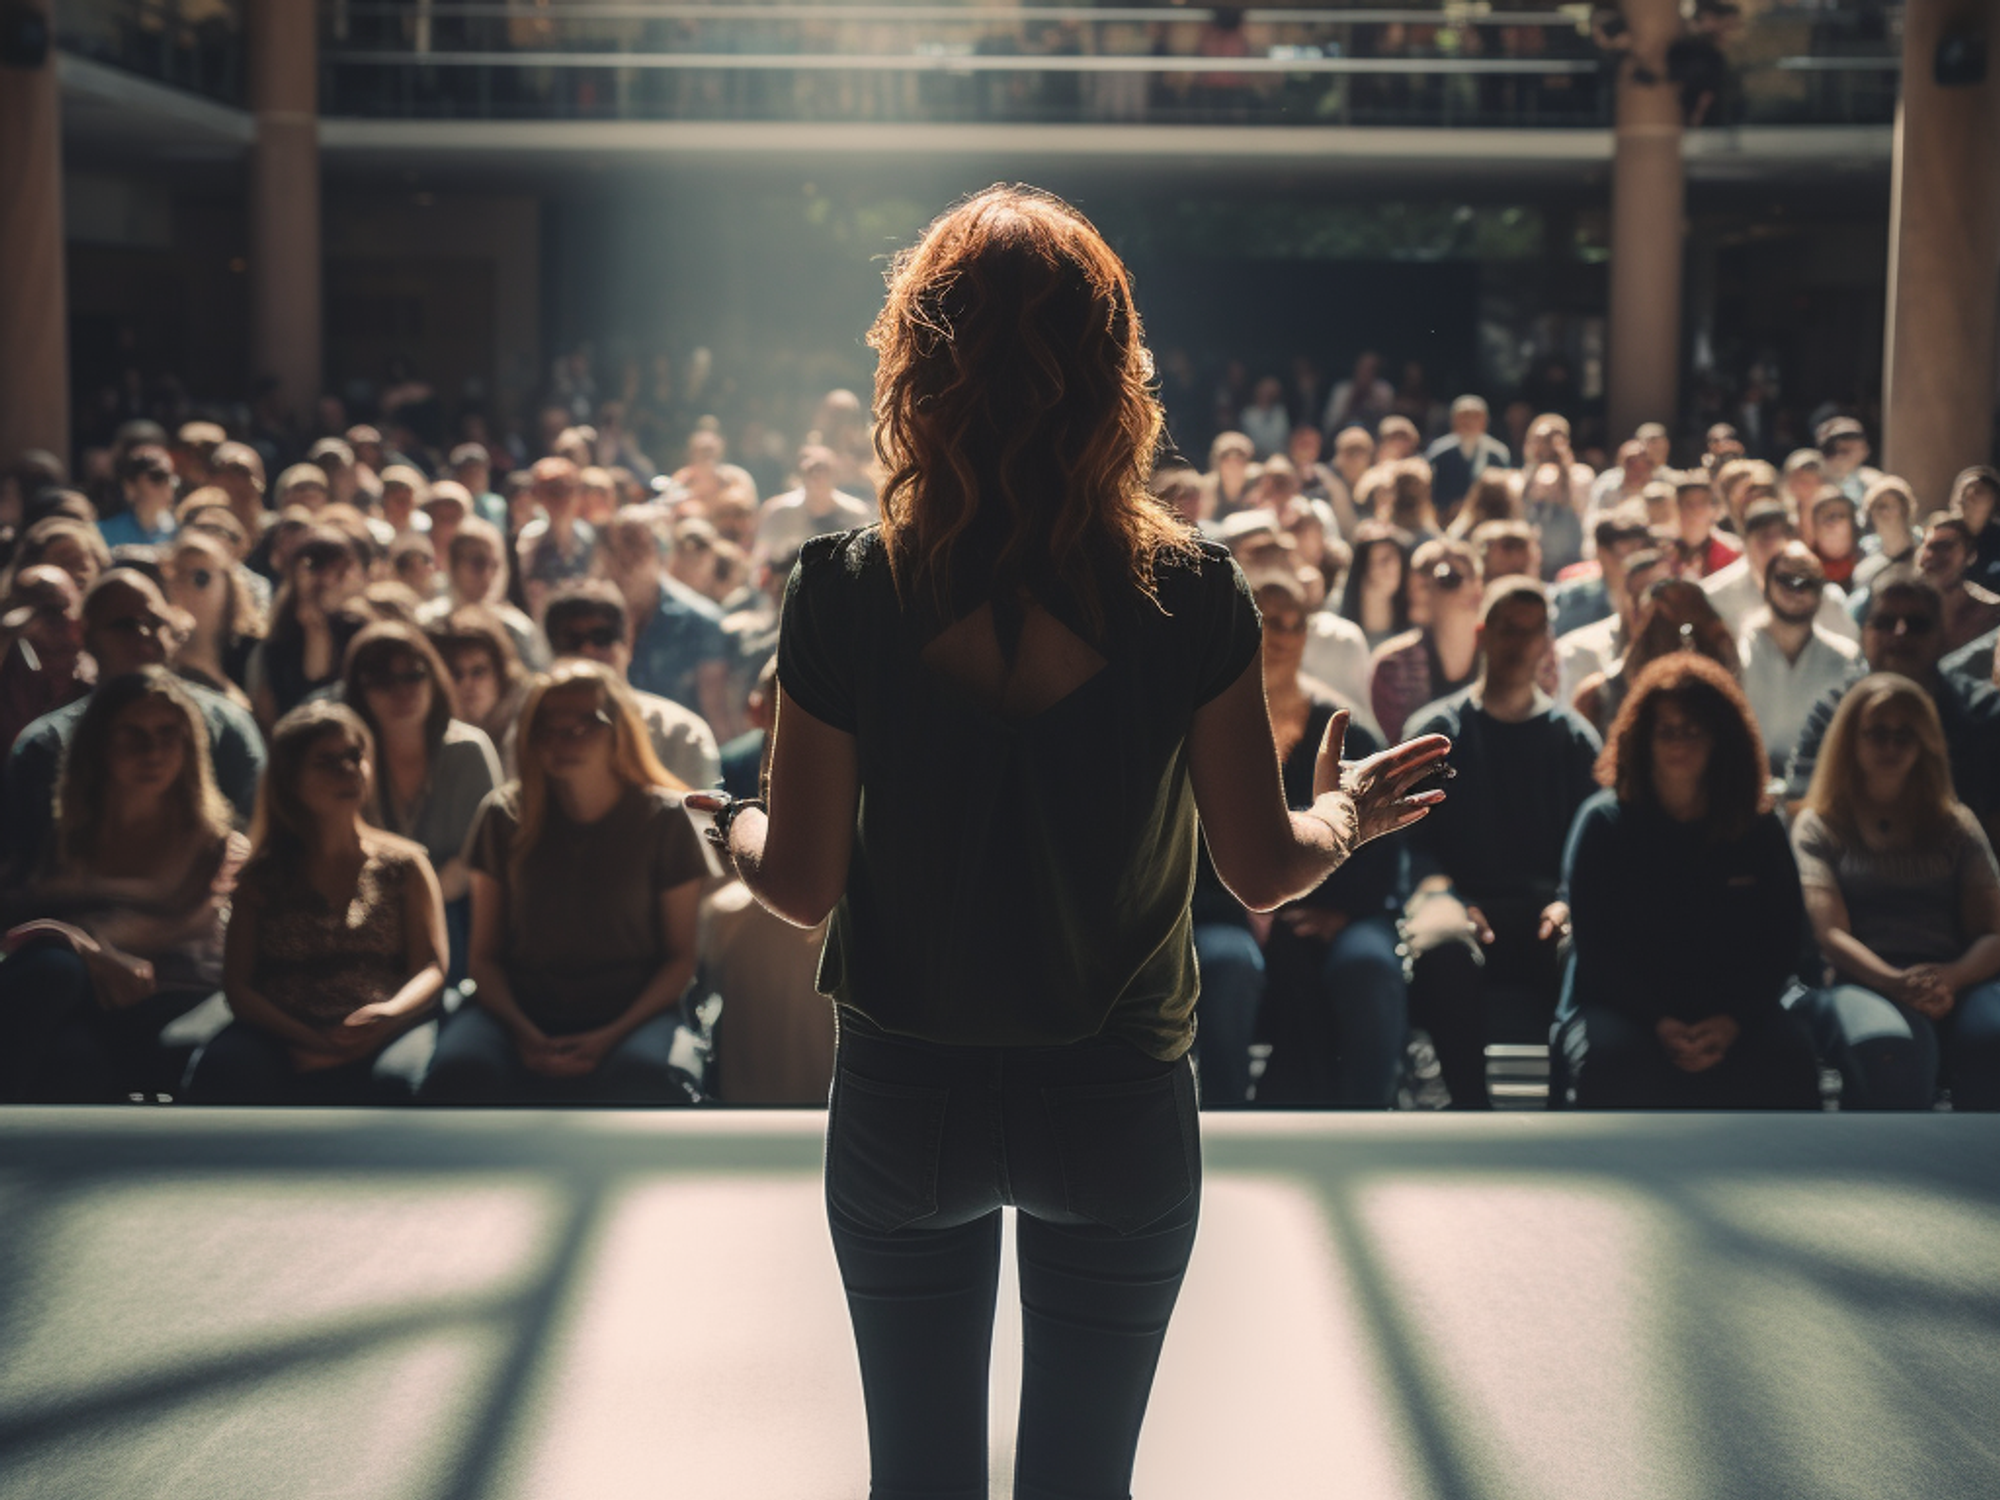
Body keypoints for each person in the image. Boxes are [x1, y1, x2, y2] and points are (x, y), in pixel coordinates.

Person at [696, 187, 1450, 1499]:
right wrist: (1345, 813)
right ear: (1116, 372)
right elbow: (1262, 869)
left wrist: (734, 821)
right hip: (1117, 1098)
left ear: (917, 365)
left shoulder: (842, 590)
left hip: (906, 1096)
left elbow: (804, 886)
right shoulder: (1194, 594)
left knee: (916, 1481)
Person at [420, 660, 710, 1104]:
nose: (563, 740)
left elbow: (678, 960)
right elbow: (484, 958)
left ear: (621, 730)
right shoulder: (503, 816)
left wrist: (609, 1036)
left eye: (585, 725)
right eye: (547, 727)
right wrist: (525, 1033)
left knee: (648, 1077)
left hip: (631, 1011)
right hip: (518, 1009)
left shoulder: (667, 819)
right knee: (460, 1072)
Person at [1557, 654, 1822, 1109]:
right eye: (1667, 730)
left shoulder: (1758, 828)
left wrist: (1732, 1020)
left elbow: (1781, 941)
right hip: (1623, 1006)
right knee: (1617, 1061)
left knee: (1787, 1057)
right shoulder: (1603, 823)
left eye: (1694, 730)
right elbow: (1597, 949)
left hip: (1736, 1011)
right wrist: (1657, 1019)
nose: (1679, 742)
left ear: (1722, 739)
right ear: (1643, 738)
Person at [1401, 578, 1602, 1109]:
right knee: (1442, 944)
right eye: (1508, 629)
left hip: (1545, 906)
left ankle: (1566, 1113)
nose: (1519, 643)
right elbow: (1410, 842)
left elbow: (1591, 846)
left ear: (1547, 642)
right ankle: (1471, 1112)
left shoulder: (1575, 739)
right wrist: (1446, 895)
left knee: (1585, 944)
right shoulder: (1435, 732)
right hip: (1459, 900)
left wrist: (1566, 898)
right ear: (1483, 634)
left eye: (1532, 631)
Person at [0, 669, 246, 1101]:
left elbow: (160, 934)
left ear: (190, 746)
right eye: (132, 733)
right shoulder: (57, 839)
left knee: (56, 973)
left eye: (168, 733)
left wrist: (67, 936)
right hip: (82, 997)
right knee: (62, 1018)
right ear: (99, 744)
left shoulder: (218, 846)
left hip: (175, 998)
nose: (151, 750)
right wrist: (81, 948)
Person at [184, 702, 446, 1103]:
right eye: (326, 761)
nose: (348, 770)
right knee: (226, 1069)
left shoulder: (406, 865)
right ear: (291, 780)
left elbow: (430, 966)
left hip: (384, 1024)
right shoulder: (262, 876)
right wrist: (311, 1040)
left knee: (396, 1082)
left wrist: (387, 1017)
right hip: (283, 1032)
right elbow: (238, 986)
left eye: (354, 756)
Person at [1790, 674, 2000, 1110]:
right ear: (1851, 739)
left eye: (1905, 734)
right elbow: (1831, 936)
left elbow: (1993, 933)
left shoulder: (1956, 825)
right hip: (1862, 982)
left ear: (1926, 742)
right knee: (1892, 1050)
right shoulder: (1821, 826)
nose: (1890, 746)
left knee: (1993, 1038)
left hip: (1956, 979)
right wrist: (1896, 982)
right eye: (1877, 733)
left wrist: (1950, 977)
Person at [1239, 573, 1406, 1108]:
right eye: (1269, 622)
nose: (1283, 637)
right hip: (1232, 908)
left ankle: (1368, 1118)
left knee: (1369, 965)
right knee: (1228, 964)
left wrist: (1341, 911)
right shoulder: (1207, 721)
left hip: (1345, 907)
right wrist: (1245, 906)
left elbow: (1379, 835)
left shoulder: (1346, 730)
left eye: (1295, 625)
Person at [3, 570, 266, 884]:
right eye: (128, 625)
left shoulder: (227, 724)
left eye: (156, 622)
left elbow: (259, 836)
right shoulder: (47, 742)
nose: (147, 635)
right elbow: (26, 866)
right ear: (83, 634)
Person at [1788, 571, 2000, 846]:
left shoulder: (1984, 713)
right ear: (1864, 635)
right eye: (1885, 622)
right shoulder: (1832, 712)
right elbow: (1800, 807)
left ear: (1942, 638)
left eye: (1917, 624)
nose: (1899, 633)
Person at [339, 620, 502, 978]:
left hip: (457, 915)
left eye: (413, 676)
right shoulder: (348, 760)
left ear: (434, 678)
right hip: (366, 917)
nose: (402, 692)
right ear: (359, 692)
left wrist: (413, 908)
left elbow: (481, 860)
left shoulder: (467, 751)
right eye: (383, 681)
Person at [540, 581, 722, 790]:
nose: (588, 650)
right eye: (572, 641)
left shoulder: (679, 733)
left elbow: (696, 818)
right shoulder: (533, 730)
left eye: (602, 637)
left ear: (629, 642)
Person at [597, 508, 730, 730]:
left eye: (637, 547)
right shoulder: (590, 617)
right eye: (616, 547)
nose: (626, 558)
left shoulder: (700, 622)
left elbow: (716, 712)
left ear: (661, 555)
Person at [1737, 541, 1863, 775]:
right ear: (1766, 584)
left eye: (1807, 582)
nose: (1796, 590)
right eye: (1786, 579)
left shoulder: (1846, 658)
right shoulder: (1737, 652)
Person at [247, 526, 371, 731]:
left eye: (337, 567)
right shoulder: (277, 644)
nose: (327, 577)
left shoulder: (362, 629)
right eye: (317, 565)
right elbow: (311, 688)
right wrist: (314, 625)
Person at [1369, 535, 1482, 741]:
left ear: (1477, 586)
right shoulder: (1393, 664)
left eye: (1448, 578)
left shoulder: (1504, 650)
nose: (1426, 590)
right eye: (1419, 583)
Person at [163, 530, 263, 708]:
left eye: (200, 577)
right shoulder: (157, 677)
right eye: (174, 574)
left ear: (229, 590)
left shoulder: (253, 664)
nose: (181, 588)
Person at [754, 443, 874, 561]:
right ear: (801, 475)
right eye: (811, 471)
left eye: (823, 470)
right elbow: (762, 557)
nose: (817, 478)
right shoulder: (778, 513)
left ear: (835, 475)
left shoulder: (856, 514)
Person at [1915, 512, 2000, 653]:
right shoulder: (1907, 613)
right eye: (1928, 547)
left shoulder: (1991, 612)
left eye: (1944, 547)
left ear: (1970, 555)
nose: (1932, 556)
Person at [1424, 395, 1512, 520]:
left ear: (1485, 421)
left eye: (1475, 417)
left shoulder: (1497, 454)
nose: (1469, 422)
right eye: (1464, 416)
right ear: (1453, 420)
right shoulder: (1439, 453)